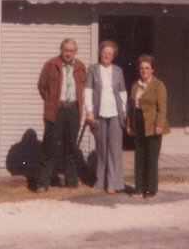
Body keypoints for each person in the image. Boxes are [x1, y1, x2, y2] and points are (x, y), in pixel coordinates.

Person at [34, 38, 87, 191]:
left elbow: (84, 89)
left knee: (70, 147)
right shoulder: (51, 65)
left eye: (71, 51)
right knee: (48, 148)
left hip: (73, 111)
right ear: (61, 50)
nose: (68, 53)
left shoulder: (81, 67)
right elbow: (42, 86)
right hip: (55, 111)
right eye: (66, 50)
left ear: (75, 52)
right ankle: (42, 183)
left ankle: (71, 182)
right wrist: (51, 102)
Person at [84, 40, 128, 194]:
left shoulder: (118, 70)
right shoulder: (93, 69)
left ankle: (114, 183)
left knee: (115, 149)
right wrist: (89, 110)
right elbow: (88, 90)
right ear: (100, 53)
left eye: (110, 53)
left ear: (113, 55)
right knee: (102, 148)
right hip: (99, 112)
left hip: (115, 113)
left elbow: (123, 92)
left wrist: (123, 112)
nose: (107, 55)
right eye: (104, 52)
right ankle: (100, 181)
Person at [127, 54, 169, 199]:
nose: (144, 71)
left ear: (152, 70)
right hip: (138, 122)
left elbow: (162, 108)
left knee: (151, 157)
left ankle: (151, 190)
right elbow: (131, 108)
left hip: (152, 124)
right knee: (139, 156)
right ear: (139, 70)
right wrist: (129, 125)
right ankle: (139, 188)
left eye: (147, 68)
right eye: (142, 68)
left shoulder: (158, 85)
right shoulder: (135, 85)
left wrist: (159, 125)